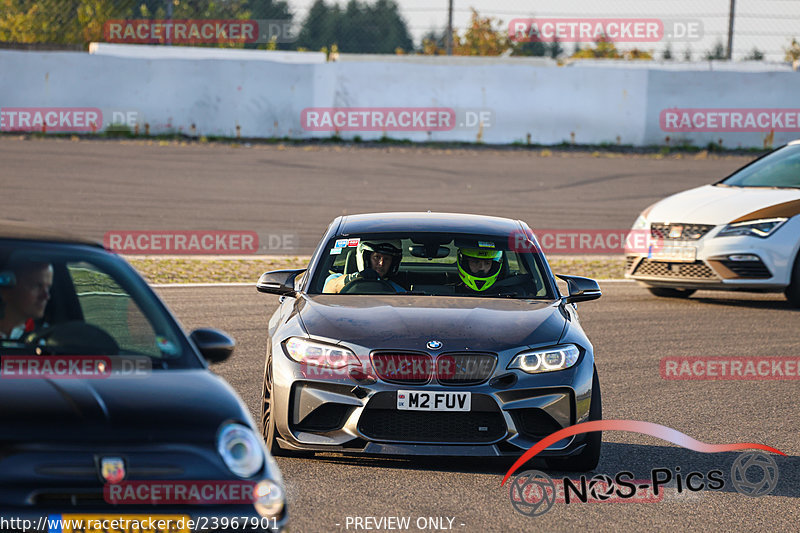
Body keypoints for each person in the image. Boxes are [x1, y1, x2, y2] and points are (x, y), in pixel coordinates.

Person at [323, 239, 405, 294]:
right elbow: (331, 288)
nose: (381, 263)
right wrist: (356, 278)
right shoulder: (335, 278)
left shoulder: (395, 289)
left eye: (386, 259)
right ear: (366, 259)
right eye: (377, 257)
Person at [0, 261, 53, 340]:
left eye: (48, 288)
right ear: (6, 291)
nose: (46, 296)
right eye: (37, 286)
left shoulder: (48, 337)